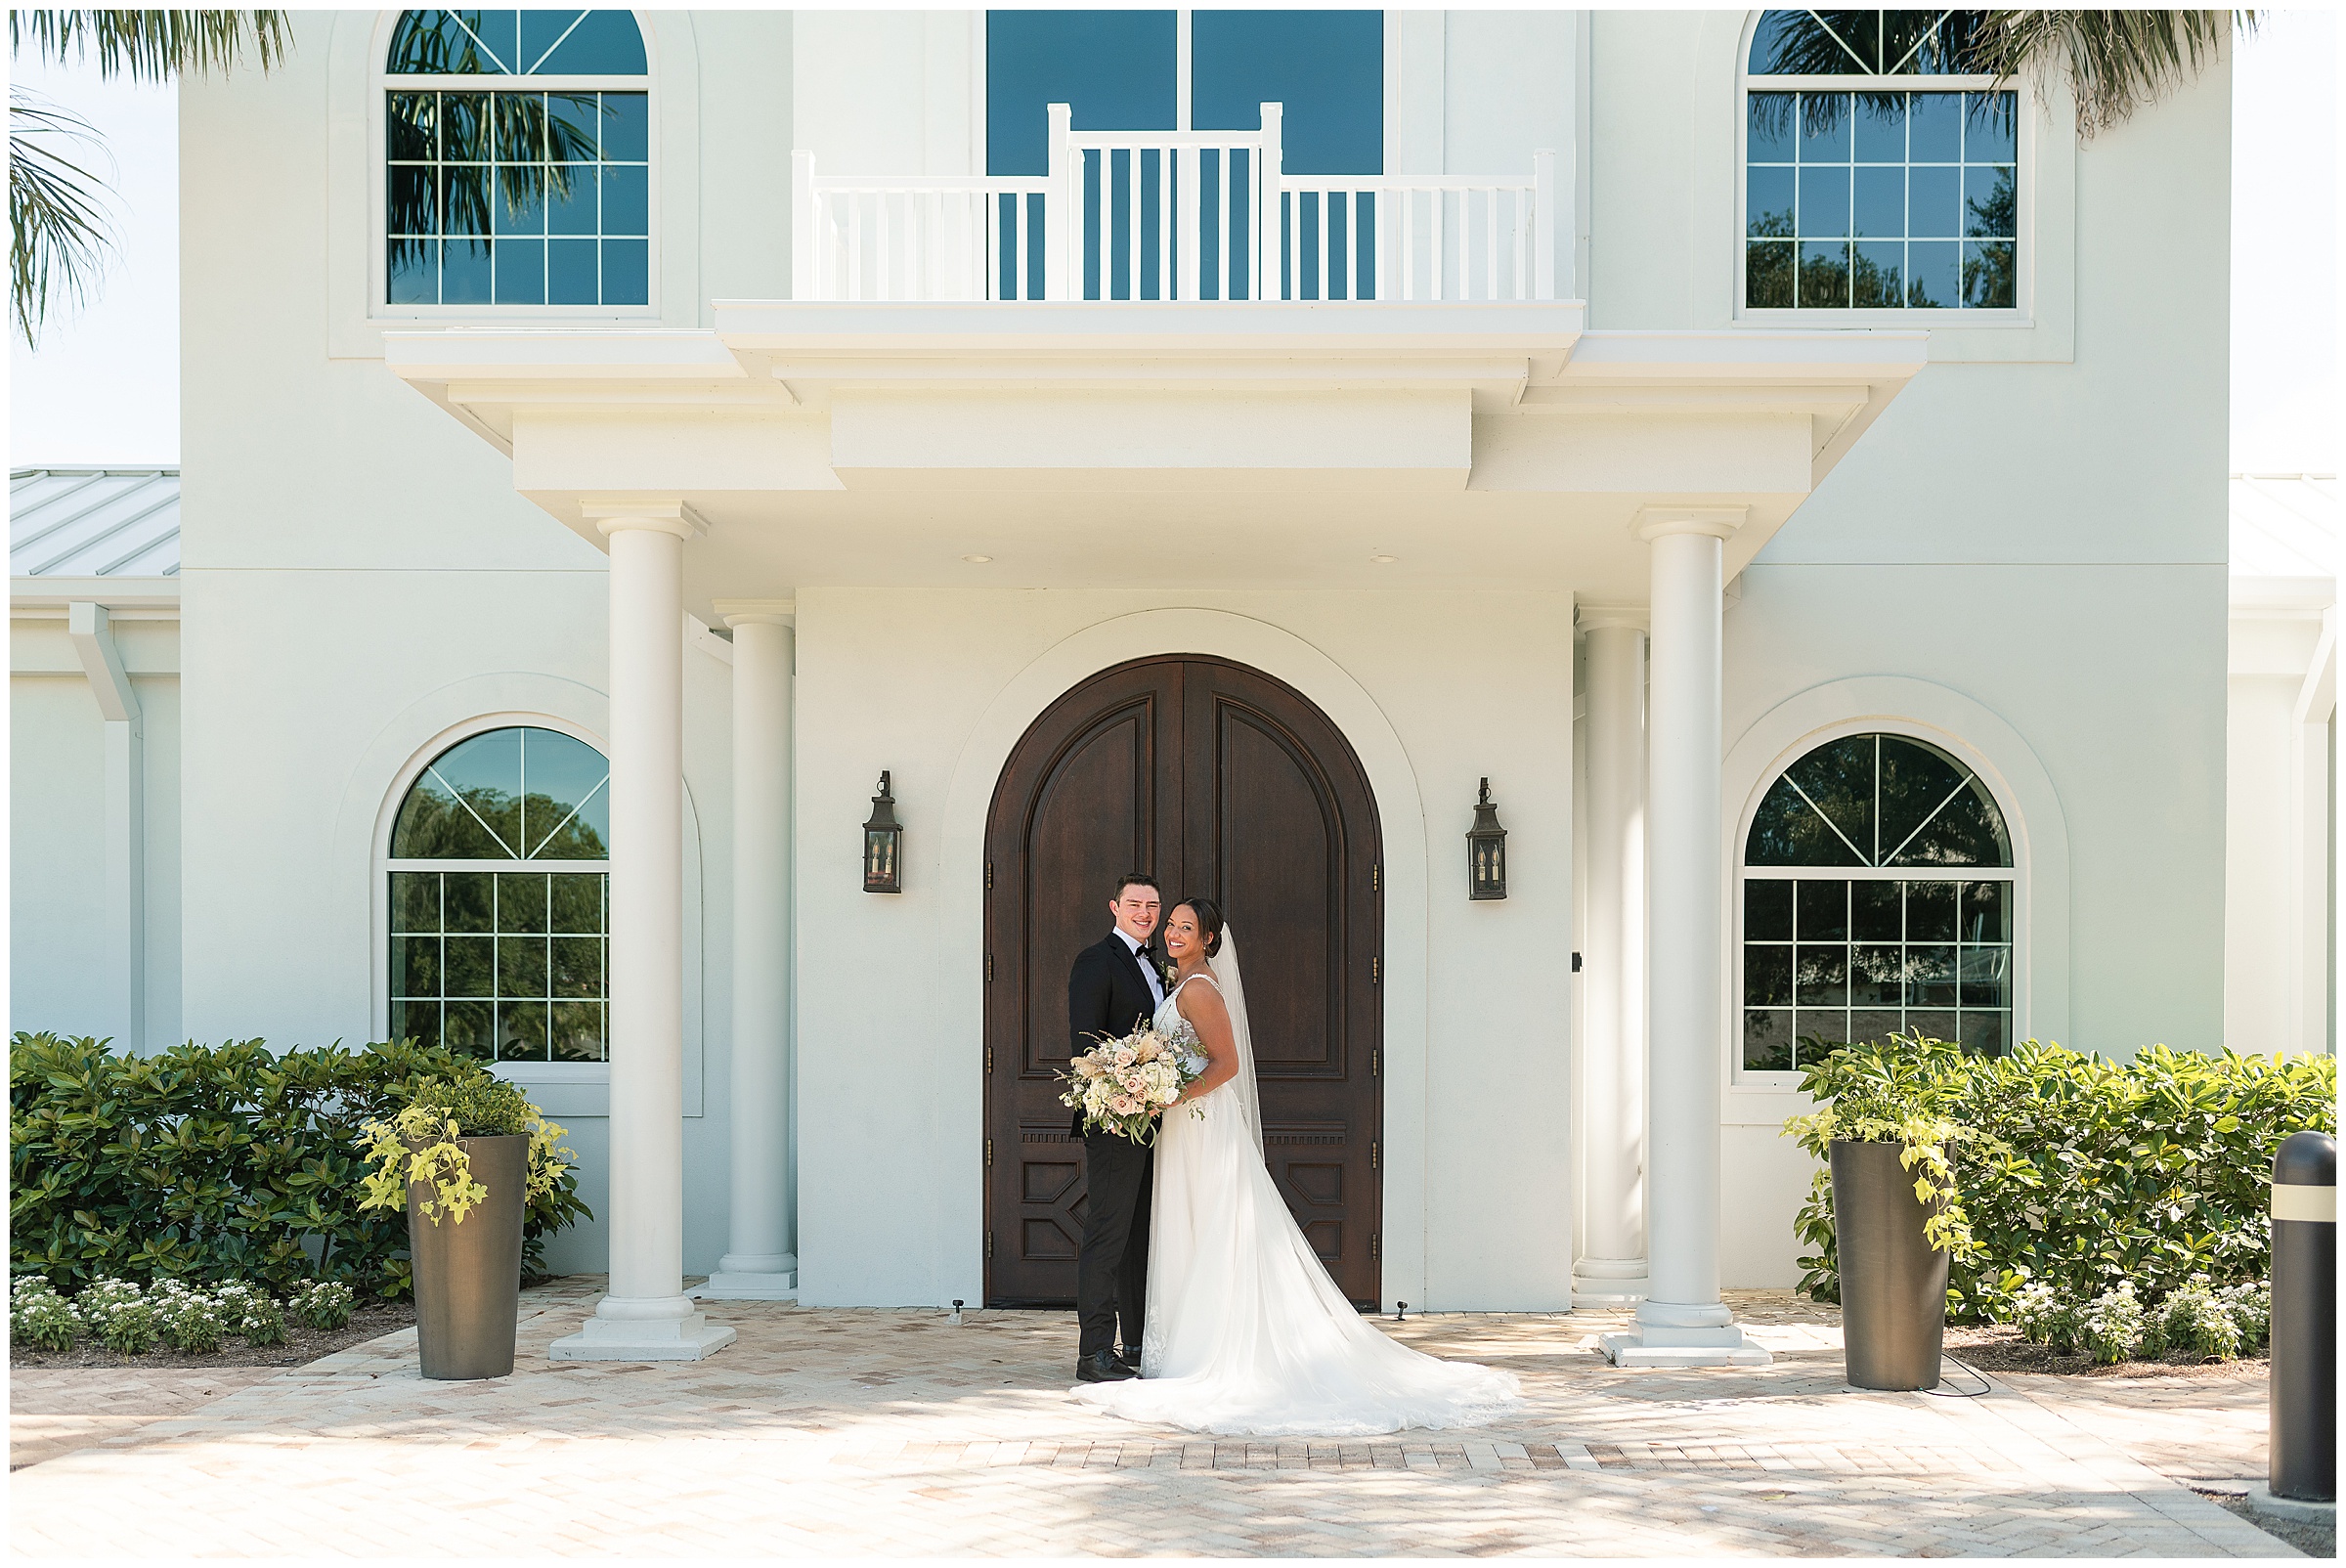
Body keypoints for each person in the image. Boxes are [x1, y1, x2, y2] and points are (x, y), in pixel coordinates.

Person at [1072, 897, 1524, 1435]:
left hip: (1200, 1124)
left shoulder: (1198, 987)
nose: (1171, 931)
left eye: (1184, 927)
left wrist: (1169, 1096)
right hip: (1183, 1130)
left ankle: (1215, 1348)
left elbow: (1228, 1064)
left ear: (1208, 939)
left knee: (1216, 1229)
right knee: (1191, 1229)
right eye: (1170, 923)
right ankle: (1185, 1343)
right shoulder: (1184, 981)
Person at [1065, 873, 1166, 1383]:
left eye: (1152, 905)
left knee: (1138, 1236)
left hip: (1151, 1122)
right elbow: (1087, 1049)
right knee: (1107, 1233)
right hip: (1114, 1120)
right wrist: (1126, 1092)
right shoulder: (1096, 961)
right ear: (1115, 907)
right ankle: (1093, 1352)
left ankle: (1133, 1343)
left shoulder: (1157, 968)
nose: (1144, 913)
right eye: (1134, 904)